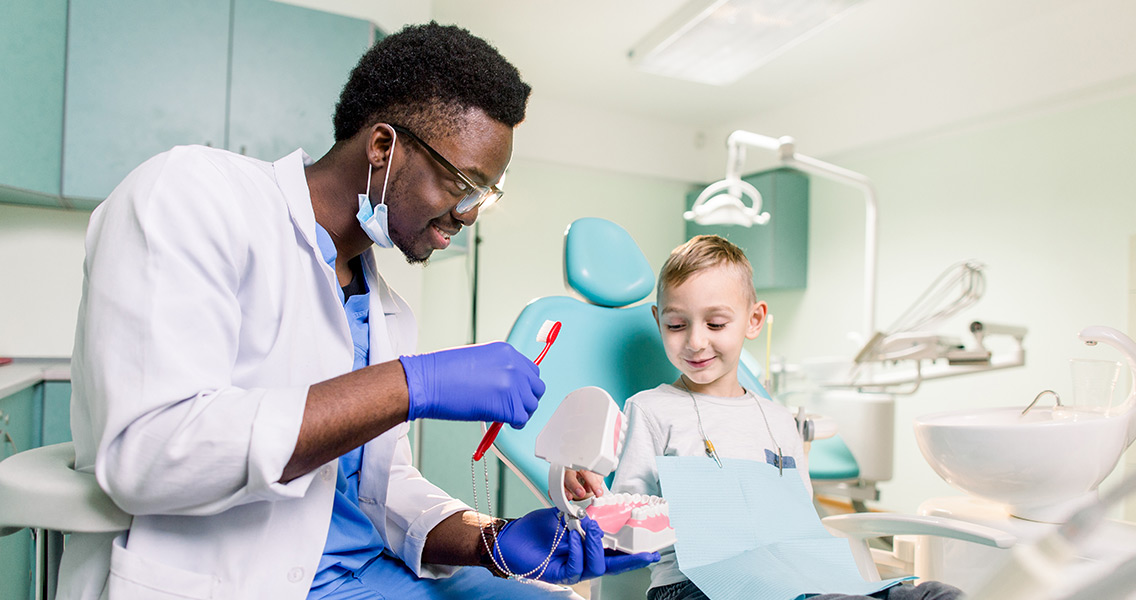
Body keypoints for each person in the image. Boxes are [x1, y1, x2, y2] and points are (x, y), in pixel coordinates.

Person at [59, 22, 656, 600]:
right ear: (382, 146)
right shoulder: (194, 194)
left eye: (485, 195)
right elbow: (153, 449)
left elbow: (377, 489)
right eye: (461, 184)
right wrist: (408, 385)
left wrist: (490, 541)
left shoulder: (387, 310)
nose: (469, 214)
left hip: (367, 571)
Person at [566, 235, 960, 600]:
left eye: (716, 323)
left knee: (934, 595)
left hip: (791, 577)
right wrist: (592, 501)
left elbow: (802, 518)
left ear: (754, 320)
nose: (695, 341)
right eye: (676, 325)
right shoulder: (651, 410)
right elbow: (625, 514)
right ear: (658, 321)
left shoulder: (776, 419)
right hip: (694, 585)